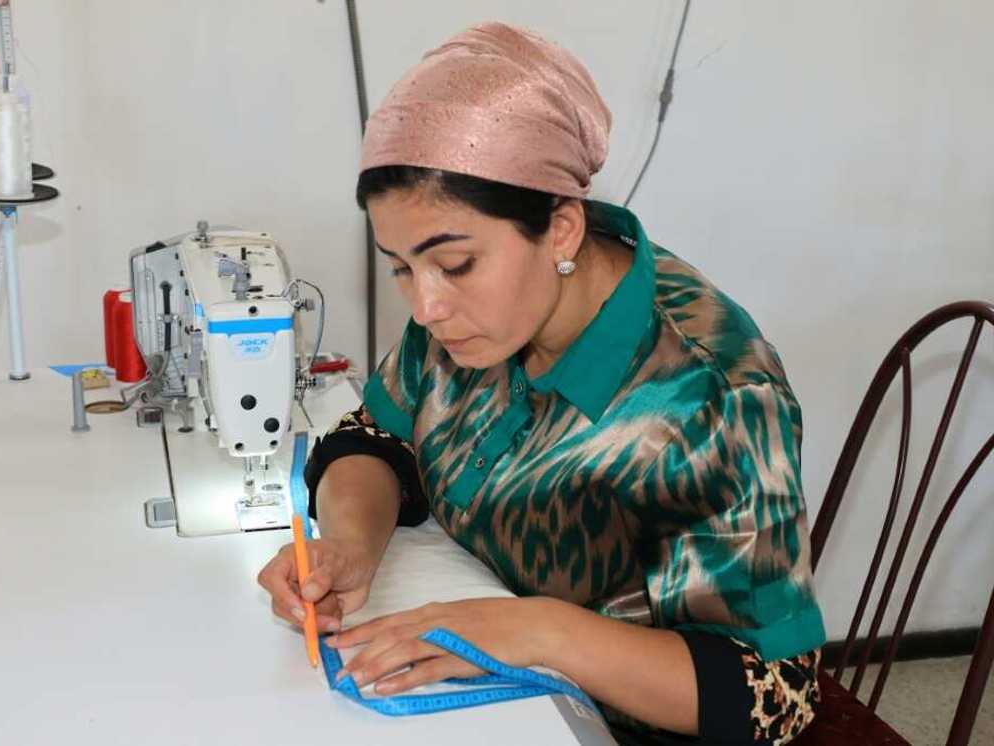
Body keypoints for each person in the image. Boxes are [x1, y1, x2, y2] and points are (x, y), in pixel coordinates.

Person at [258, 22, 825, 744]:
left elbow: (771, 694)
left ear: (560, 230)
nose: (426, 306)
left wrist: (542, 632)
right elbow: (374, 437)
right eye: (401, 267)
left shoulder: (706, 397)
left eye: (454, 263)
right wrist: (350, 545)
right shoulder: (477, 319)